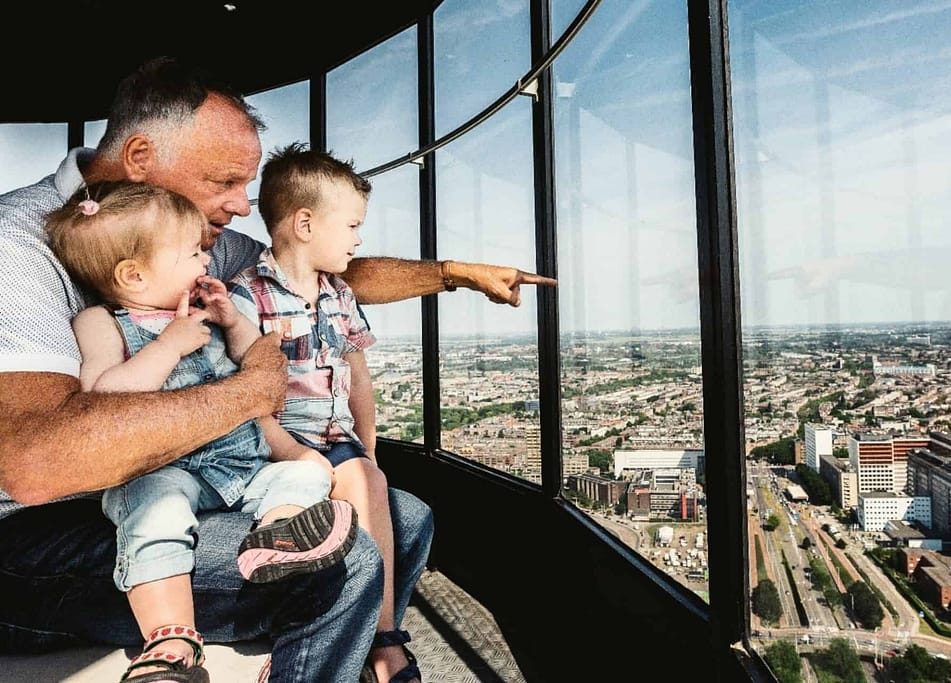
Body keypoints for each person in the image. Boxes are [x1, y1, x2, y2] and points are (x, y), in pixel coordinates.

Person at [0, 55, 556, 682]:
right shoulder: (17, 246)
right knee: (346, 563)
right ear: (139, 159)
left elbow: (317, 269)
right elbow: (34, 463)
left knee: (403, 520)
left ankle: (338, 653)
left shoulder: (188, 238)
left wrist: (453, 274)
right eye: (225, 181)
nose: (242, 206)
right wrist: (249, 391)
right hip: (36, 539)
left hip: (190, 480)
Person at [46, 180, 361, 681]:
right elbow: (103, 398)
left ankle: (278, 535)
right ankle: (170, 640)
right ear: (134, 274)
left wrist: (233, 321)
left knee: (307, 475)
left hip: (239, 464)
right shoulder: (101, 321)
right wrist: (167, 345)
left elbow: (249, 361)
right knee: (155, 514)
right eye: (193, 254)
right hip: (165, 469)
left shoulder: (204, 314)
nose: (206, 264)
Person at [227, 142, 418, 682]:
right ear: (305, 223)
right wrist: (298, 457)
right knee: (349, 504)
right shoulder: (247, 298)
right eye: (353, 225)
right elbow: (245, 395)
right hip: (280, 444)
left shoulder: (339, 295)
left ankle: (376, 634)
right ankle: (380, 644)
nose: (360, 239)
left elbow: (357, 376)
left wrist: (369, 449)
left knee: (369, 483)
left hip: (337, 440)